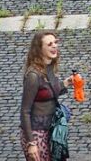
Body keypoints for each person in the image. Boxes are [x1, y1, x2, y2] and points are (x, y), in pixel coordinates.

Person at [19, 30, 73, 161]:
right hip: (37, 134)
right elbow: (24, 111)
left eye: (55, 43)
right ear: (39, 49)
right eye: (49, 44)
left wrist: (65, 83)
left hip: (51, 130)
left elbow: (49, 91)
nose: (54, 46)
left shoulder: (48, 67)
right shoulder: (33, 76)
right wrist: (31, 143)